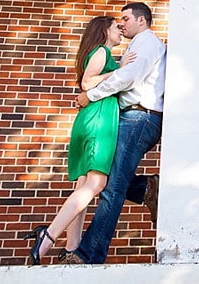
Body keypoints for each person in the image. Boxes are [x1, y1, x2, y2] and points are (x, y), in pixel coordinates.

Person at [24, 15, 133, 265]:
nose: (120, 30)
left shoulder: (101, 53)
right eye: (116, 26)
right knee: (96, 184)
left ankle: (72, 248)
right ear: (104, 30)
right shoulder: (102, 52)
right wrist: (121, 71)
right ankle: (48, 235)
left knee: (83, 185)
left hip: (90, 118)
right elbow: (87, 83)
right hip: (98, 120)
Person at [63, 1, 166, 264]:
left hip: (139, 116)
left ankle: (88, 255)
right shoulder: (135, 46)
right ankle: (146, 188)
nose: (121, 23)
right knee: (107, 178)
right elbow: (123, 74)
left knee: (112, 187)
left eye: (125, 18)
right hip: (131, 117)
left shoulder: (146, 42)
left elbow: (128, 78)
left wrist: (91, 95)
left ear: (141, 21)